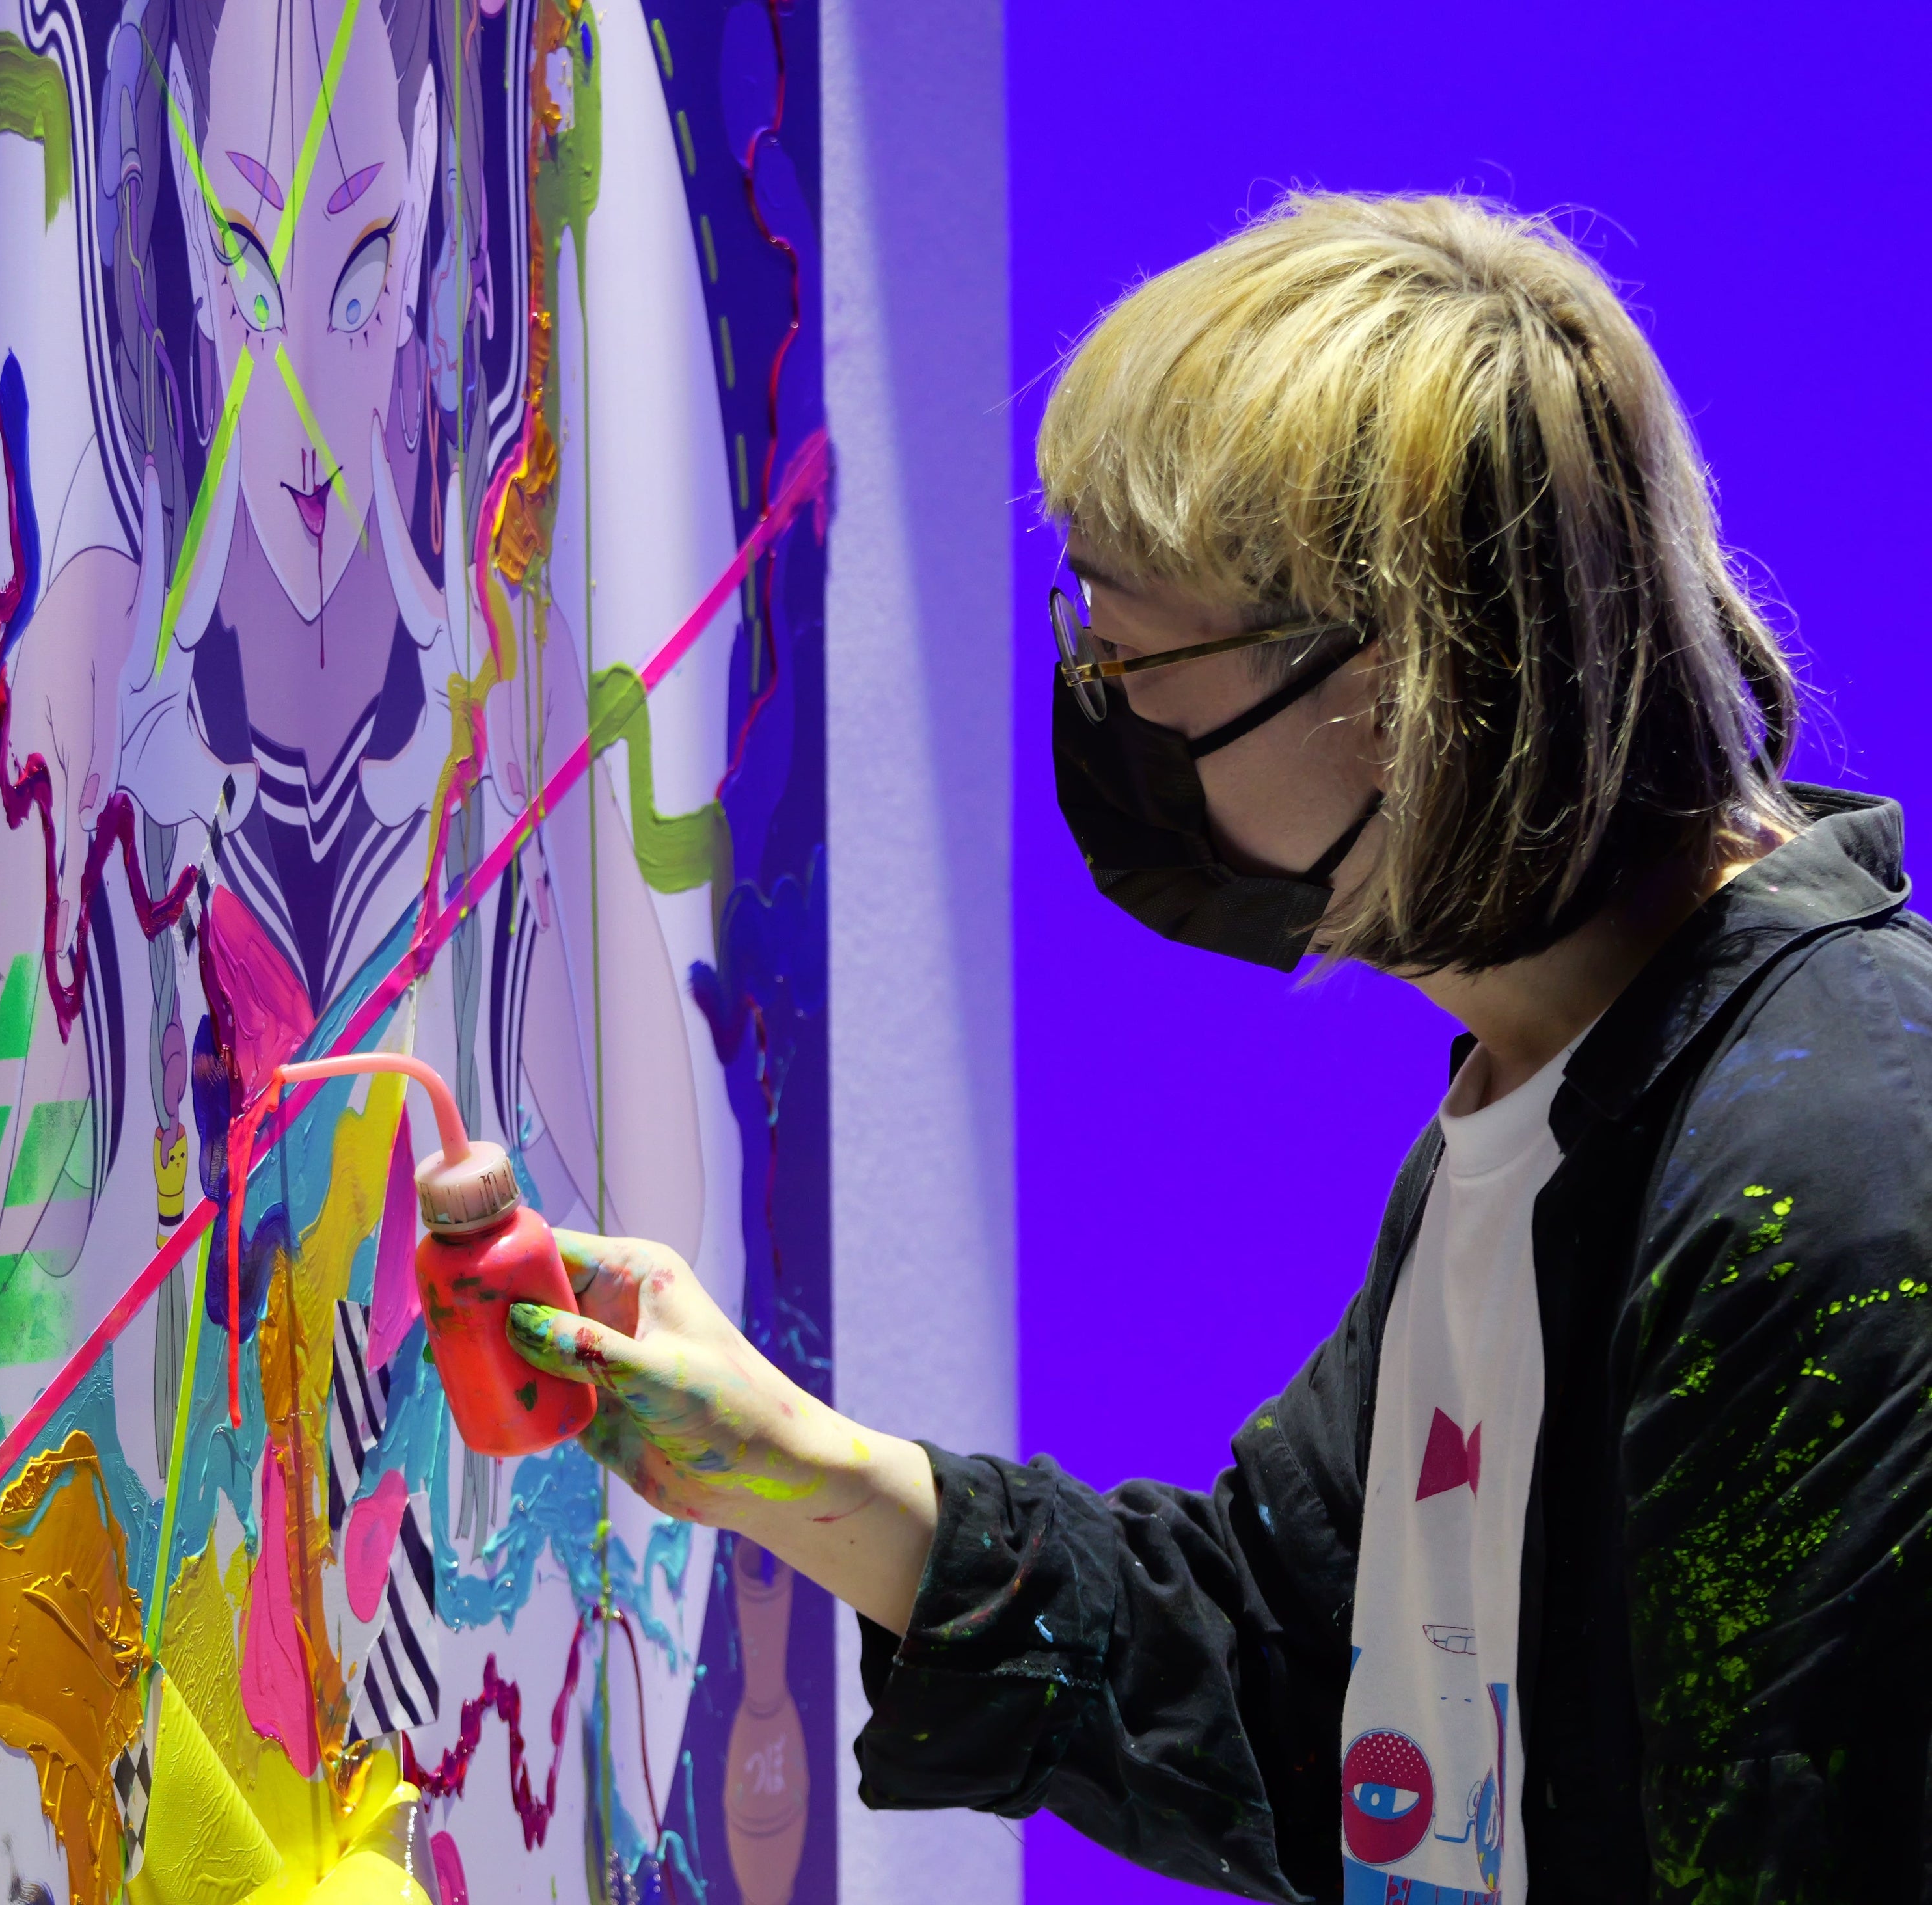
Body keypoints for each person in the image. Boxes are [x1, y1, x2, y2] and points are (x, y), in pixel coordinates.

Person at [504, 191, 1932, 1900]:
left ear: (1400, 684)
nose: (1099, 709)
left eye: (1130, 652)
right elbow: (1300, 1673)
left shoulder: (1832, 1189)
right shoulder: (1551, 1103)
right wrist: (784, 1467)